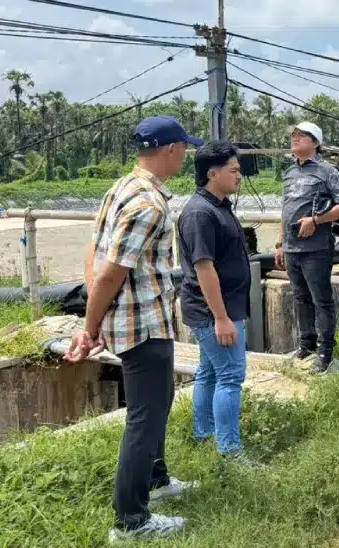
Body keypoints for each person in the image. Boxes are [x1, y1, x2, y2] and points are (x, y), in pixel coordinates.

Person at [65, 115, 202, 542]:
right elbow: (110, 272)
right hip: (142, 324)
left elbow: (94, 250)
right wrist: (90, 327)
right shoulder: (148, 204)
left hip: (140, 319)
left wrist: (98, 320)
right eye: (184, 148)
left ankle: (157, 481)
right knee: (144, 417)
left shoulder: (121, 187)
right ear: (171, 149)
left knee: (158, 404)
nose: (185, 155)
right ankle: (131, 521)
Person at [178, 140, 263, 468]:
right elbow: (204, 267)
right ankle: (230, 451)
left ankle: (204, 435)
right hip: (215, 311)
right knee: (230, 376)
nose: (239, 176)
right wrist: (221, 318)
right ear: (213, 174)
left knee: (210, 372)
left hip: (221, 308)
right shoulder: (200, 213)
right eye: (234, 170)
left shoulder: (218, 206)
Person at [274, 122, 339, 374]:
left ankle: (325, 351)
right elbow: (285, 210)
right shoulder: (289, 172)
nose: (295, 138)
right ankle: (305, 345)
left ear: (316, 142)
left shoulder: (327, 171)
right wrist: (280, 244)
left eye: (301, 135)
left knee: (321, 300)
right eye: (293, 135)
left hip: (316, 248)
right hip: (291, 247)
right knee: (300, 297)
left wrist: (316, 220)